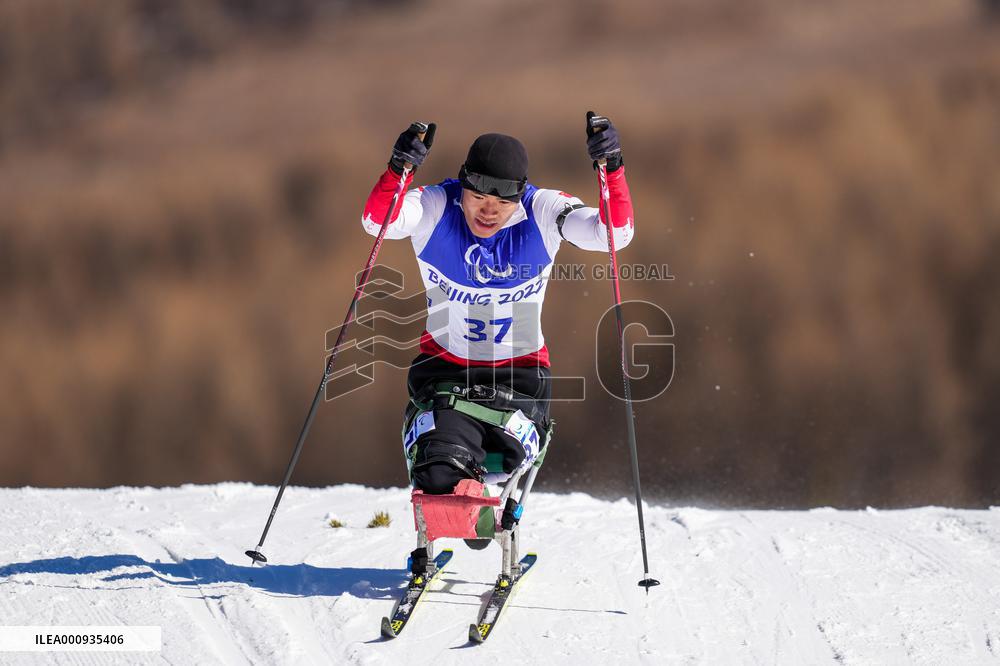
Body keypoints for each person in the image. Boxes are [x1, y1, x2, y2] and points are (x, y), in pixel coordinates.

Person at [360, 112, 635, 508]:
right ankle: (465, 505)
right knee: (439, 466)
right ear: (463, 185)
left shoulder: (543, 210)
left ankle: (480, 503)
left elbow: (613, 235)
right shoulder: (437, 205)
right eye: (478, 198)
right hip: (445, 372)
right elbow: (378, 223)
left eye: (503, 202)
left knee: (505, 463)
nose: (489, 211)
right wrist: (397, 170)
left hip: (519, 378)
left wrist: (612, 170)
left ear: (519, 196)